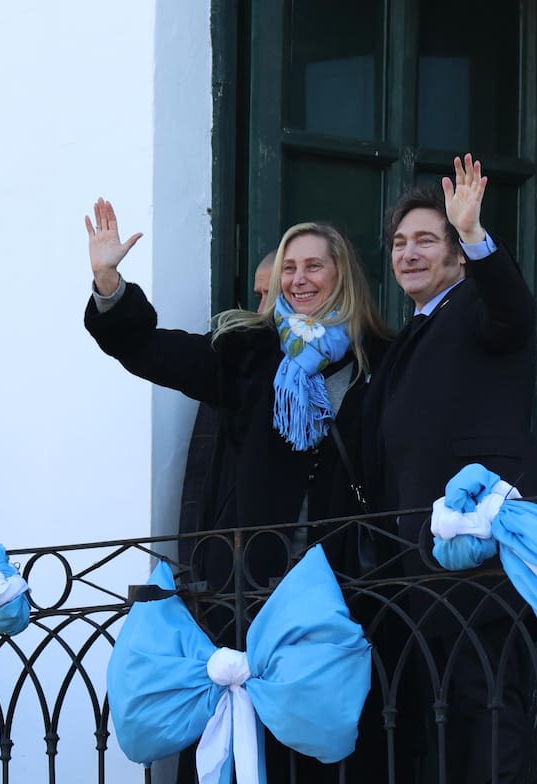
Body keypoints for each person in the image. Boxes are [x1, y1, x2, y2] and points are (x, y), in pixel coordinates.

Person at [83, 199, 390, 781]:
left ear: (342, 274)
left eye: (313, 267)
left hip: (344, 590)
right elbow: (151, 350)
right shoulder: (247, 353)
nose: (298, 280)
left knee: (335, 757)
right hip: (250, 592)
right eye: (289, 270)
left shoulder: (381, 361)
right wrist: (109, 285)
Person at [361, 155, 537, 783]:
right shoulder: (413, 330)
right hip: (420, 568)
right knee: (448, 718)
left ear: (458, 256)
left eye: (426, 241)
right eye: (399, 243)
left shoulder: (475, 304)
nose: (408, 253)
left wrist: (473, 232)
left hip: (481, 556)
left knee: (490, 707)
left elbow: (514, 309)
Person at [177, 251, 276, 561]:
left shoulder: (363, 359)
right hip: (242, 565)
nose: (262, 309)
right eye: (259, 296)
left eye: (272, 295)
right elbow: (201, 474)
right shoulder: (238, 357)